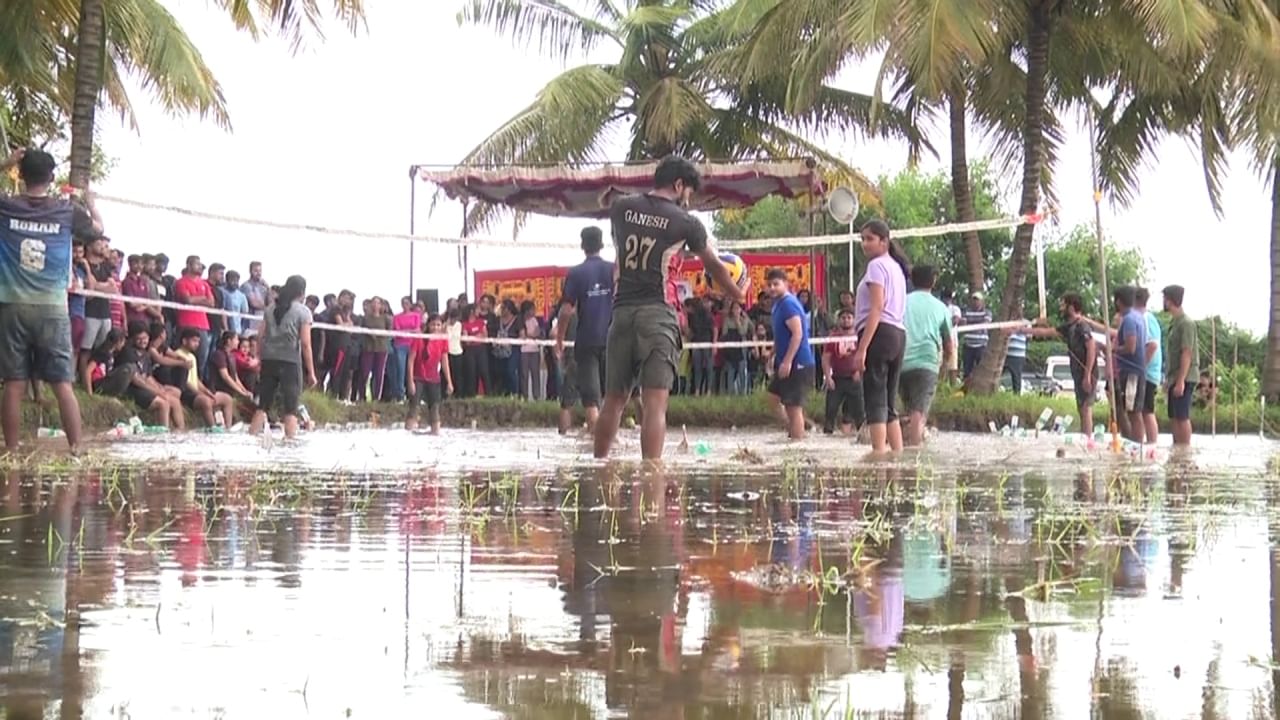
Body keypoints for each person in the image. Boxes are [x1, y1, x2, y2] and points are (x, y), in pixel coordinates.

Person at [594, 155, 746, 460]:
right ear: (679, 184)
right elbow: (714, 266)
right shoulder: (685, 222)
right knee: (655, 404)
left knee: (613, 400)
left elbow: (620, 258)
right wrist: (737, 293)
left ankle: (598, 469)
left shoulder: (622, 208)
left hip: (622, 313)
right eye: (688, 191)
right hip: (657, 315)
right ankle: (652, 479)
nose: (687, 199)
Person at [0, 148, 101, 452]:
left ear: (21, 174)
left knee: (14, 384)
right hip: (53, 307)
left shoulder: (6, 206)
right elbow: (98, 230)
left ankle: (13, 452)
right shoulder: (67, 211)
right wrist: (92, 204)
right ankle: (76, 450)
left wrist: (6, 163)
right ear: (52, 177)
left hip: (12, 305)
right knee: (62, 384)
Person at [851, 220, 909, 455]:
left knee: (875, 398)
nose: (865, 244)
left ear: (884, 241)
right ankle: (897, 454)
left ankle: (878, 456)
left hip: (879, 332)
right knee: (889, 402)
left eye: (869, 239)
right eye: (862, 239)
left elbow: (877, 307)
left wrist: (862, 348)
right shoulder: (897, 268)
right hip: (898, 334)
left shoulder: (876, 266)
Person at [555, 226, 615, 432]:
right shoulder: (613, 269)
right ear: (601, 244)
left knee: (591, 401)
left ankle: (598, 454)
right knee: (612, 398)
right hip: (613, 340)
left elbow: (565, 311)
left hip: (587, 341)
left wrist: (560, 339)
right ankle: (611, 448)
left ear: (582, 245)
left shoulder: (576, 273)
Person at [251, 275, 317, 439]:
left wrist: (258, 357)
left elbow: (260, 336)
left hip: (269, 359)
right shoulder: (303, 312)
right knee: (291, 407)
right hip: (290, 362)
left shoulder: (270, 308)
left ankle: (250, 437)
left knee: (263, 405)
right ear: (302, 292)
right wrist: (311, 372)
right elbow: (306, 344)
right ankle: (290, 444)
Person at [1026, 293, 1098, 436]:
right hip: (1078, 372)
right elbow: (1047, 332)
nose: (1061, 308)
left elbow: (1091, 346)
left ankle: (1088, 440)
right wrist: (1022, 330)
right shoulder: (1069, 326)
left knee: (1085, 408)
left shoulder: (1081, 325)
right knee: (1080, 407)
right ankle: (1085, 437)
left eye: (1063, 304)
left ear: (1071, 307)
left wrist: (1087, 374)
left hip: (1087, 372)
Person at [900, 265, 953, 446]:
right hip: (926, 362)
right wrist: (945, 364)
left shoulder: (901, 302)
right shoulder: (941, 308)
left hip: (900, 361)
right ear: (934, 281)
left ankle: (902, 445)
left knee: (907, 409)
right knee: (919, 411)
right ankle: (914, 452)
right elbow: (948, 343)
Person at [766, 269, 814, 439]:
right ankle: (798, 427)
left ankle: (798, 442)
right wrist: (772, 354)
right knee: (773, 398)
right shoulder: (777, 305)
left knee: (793, 407)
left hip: (798, 362)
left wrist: (787, 361)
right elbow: (781, 335)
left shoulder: (789, 304)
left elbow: (797, 334)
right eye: (769, 285)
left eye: (776, 284)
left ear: (786, 284)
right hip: (784, 361)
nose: (772, 288)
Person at [171, 328, 236, 429]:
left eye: (198, 341)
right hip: (187, 393)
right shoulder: (177, 355)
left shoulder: (192, 357)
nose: (197, 344)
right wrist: (200, 393)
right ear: (184, 341)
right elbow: (186, 382)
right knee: (206, 401)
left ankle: (228, 427)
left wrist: (206, 391)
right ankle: (213, 427)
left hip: (197, 391)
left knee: (227, 399)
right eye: (194, 341)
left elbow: (195, 379)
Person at [1163, 285, 1198, 447]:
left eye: (1165, 299)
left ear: (1170, 301)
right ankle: (1177, 448)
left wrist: (1181, 380)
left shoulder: (1186, 324)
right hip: (1173, 377)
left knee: (1182, 416)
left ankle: (1185, 451)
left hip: (1184, 377)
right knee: (1174, 416)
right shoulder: (1174, 323)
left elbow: (1187, 352)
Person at [1112, 286, 1148, 442]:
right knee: (1133, 410)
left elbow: (1130, 347)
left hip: (1131, 372)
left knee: (1133, 412)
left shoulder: (1128, 319)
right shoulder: (1138, 316)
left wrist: (1114, 350)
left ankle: (1137, 446)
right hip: (1137, 370)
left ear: (1118, 301)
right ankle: (1135, 444)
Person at [407, 314, 453, 434]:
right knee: (414, 407)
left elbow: (445, 361)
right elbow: (411, 360)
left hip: (434, 379)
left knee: (435, 407)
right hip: (418, 378)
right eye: (433, 324)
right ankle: (408, 432)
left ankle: (435, 433)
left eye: (438, 325)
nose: (436, 328)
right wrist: (410, 381)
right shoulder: (419, 339)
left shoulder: (443, 340)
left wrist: (449, 382)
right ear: (428, 325)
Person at [822, 307, 864, 436]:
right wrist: (828, 377)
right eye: (843, 318)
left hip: (854, 378)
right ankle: (827, 437)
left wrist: (860, 371)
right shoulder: (833, 337)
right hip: (837, 379)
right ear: (839, 320)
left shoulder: (860, 336)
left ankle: (863, 437)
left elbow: (865, 355)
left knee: (859, 413)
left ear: (854, 320)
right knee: (830, 411)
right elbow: (826, 357)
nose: (846, 320)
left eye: (849, 317)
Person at [173, 254, 215, 380]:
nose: (199, 266)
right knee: (184, 355)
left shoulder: (204, 284)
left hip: (203, 324)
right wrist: (202, 298)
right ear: (189, 265)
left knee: (202, 357)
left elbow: (212, 303)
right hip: (186, 323)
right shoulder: (181, 282)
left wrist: (197, 298)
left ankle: (198, 384)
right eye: (197, 263)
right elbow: (188, 300)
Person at [1136, 287, 1163, 444]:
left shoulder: (1146, 318)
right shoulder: (1143, 318)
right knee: (1143, 410)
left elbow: (1152, 345)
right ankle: (1148, 443)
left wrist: (1141, 367)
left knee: (1147, 410)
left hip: (1148, 373)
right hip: (1147, 372)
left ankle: (1152, 444)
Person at [389, 296, 421, 402]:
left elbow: (417, 330)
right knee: (401, 370)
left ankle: (414, 395)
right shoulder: (397, 317)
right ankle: (400, 395)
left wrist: (406, 331)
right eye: (403, 303)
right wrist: (410, 331)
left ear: (411, 304)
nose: (405, 305)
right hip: (400, 346)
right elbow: (398, 332)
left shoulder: (416, 316)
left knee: (414, 370)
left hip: (413, 345)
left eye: (407, 303)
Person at [359, 297, 391, 401]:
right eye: (373, 302)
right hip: (368, 348)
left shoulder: (386, 318)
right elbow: (362, 330)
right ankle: (362, 396)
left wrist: (379, 334)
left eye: (378, 303)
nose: (375, 305)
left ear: (381, 305)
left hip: (381, 348)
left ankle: (376, 397)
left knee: (379, 374)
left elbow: (390, 332)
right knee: (365, 373)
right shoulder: (365, 318)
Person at [720, 301, 751, 395]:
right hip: (730, 348)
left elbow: (742, 332)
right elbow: (724, 333)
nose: (736, 310)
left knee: (742, 370)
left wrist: (738, 321)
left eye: (738, 308)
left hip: (741, 348)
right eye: (734, 308)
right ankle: (730, 393)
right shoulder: (727, 320)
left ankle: (743, 393)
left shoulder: (744, 319)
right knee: (730, 371)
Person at [960, 291, 992, 380]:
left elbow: (985, 324)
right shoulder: (966, 311)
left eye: (977, 300)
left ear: (982, 301)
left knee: (981, 369)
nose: (975, 302)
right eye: (973, 300)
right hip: (968, 345)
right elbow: (963, 324)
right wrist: (976, 323)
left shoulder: (987, 312)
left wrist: (970, 323)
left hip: (981, 345)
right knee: (967, 369)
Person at [517, 301, 544, 400]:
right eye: (532, 309)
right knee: (524, 375)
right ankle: (525, 396)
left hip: (534, 350)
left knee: (535, 374)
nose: (534, 311)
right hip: (524, 350)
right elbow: (523, 335)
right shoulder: (520, 320)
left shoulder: (534, 320)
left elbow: (537, 333)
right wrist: (531, 335)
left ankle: (536, 396)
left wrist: (531, 335)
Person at [223, 270, 251, 335]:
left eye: (237, 281)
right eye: (232, 280)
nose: (235, 283)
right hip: (224, 329)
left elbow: (245, 313)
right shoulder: (222, 292)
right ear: (227, 281)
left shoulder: (241, 296)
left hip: (237, 330)